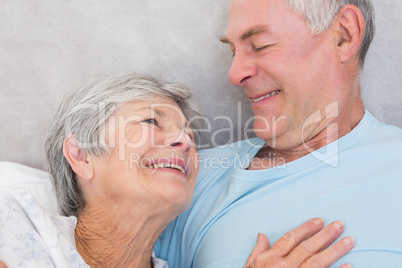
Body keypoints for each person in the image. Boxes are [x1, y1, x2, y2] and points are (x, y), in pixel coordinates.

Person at [0, 72, 351, 267]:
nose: (184, 142)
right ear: (81, 155)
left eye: (189, 134)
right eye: (152, 121)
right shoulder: (12, 223)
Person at [155, 0, 402, 267]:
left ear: (344, 35)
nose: (235, 74)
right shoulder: (187, 174)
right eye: (233, 52)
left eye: (260, 45)